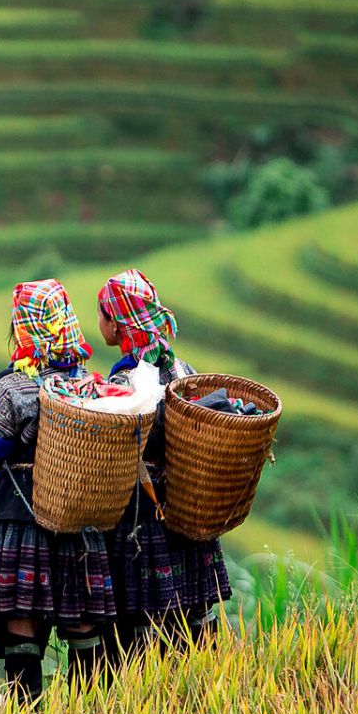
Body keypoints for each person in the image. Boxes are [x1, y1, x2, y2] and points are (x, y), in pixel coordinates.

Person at [0, 279, 116, 701]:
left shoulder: (16, 386)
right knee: (82, 619)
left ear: (27, 327)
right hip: (79, 518)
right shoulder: (88, 383)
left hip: (23, 518)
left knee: (22, 620)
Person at [94, 268, 232, 656]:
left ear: (119, 324)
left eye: (103, 314)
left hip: (143, 514)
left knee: (143, 630)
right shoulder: (182, 368)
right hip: (186, 507)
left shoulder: (125, 380)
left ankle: (149, 701)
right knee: (191, 624)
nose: (99, 322)